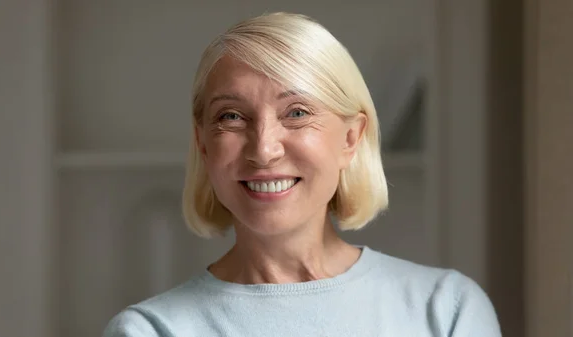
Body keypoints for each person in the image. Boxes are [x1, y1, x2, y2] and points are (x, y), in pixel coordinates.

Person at [103, 12, 501, 337]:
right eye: (232, 117)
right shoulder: (151, 330)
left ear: (350, 138)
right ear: (203, 144)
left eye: (296, 113)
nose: (263, 149)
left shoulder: (448, 309)